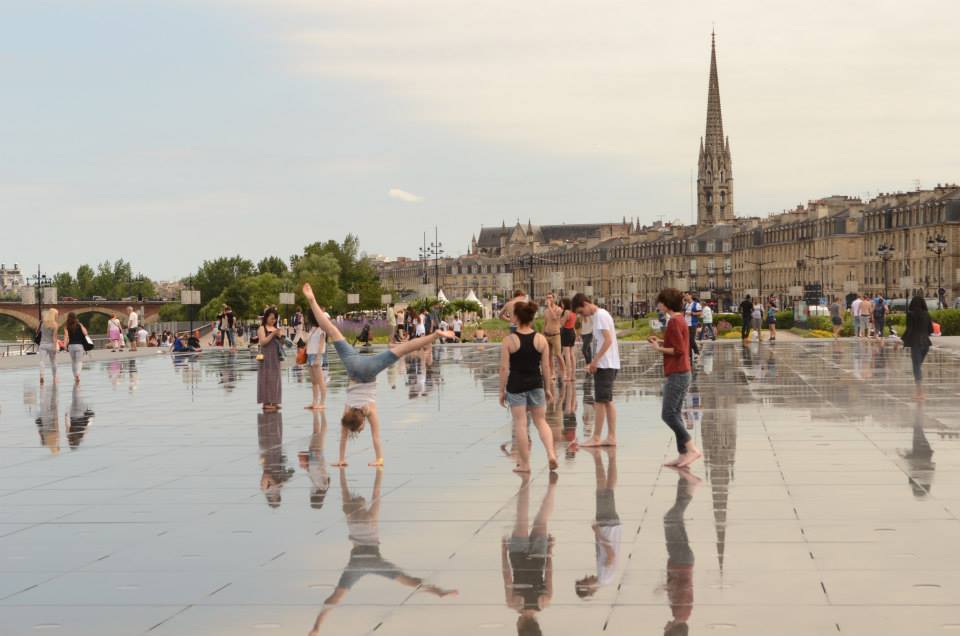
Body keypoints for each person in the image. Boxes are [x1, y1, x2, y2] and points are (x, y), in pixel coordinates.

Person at [301, 283, 455, 467]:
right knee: (333, 331)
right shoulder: (347, 411)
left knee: (403, 348)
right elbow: (343, 438)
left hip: (369, 369)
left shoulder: (369, 411)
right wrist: (340, 459)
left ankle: (434, 336)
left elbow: (376, 438)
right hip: (353, 365)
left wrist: (378, 459)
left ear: (360, 423)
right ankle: (312, 300)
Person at [310, 469, 457, 636]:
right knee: (408, 580)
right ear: (363, 504)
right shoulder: (372, 515)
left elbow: (345, 489)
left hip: (356, 562)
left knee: (336, 597)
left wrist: (342, 471)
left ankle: (317, 627)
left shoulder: (350, 515)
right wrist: (379, 469)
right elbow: (376, 490)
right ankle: (437, 591)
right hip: (373, 558)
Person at [498, 300, 558, 473]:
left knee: (521, 424)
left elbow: (504, 368)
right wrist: (547, 388)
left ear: (515, 317)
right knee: (541, 421)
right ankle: (551, 454)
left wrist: (501, 391)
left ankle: (525, 464)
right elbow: (546, 366)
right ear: (532, 318)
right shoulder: (541, 340)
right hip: (535, 384)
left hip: (516, 385)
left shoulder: (509, 340)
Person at [647, 288, 703, 468]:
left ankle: (692, 449)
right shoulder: (680, 320)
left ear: (666, 304)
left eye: (660, 302)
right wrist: (662, 342)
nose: (658, 305)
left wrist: (658, 349)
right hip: (683, 371)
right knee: (676, 413)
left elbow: (678, 350)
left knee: (668, 414)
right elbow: (680, 344)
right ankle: (682, 454)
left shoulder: (673, 322)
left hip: (678, 373)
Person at [502, 472, 557, 636]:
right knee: (522, 518)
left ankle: (552, 488)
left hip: (539, 558)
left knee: (542, 519)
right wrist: (503, 552)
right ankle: (525, 480)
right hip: (518, 557)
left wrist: (549, 551)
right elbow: (507, 576)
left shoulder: (545, 602)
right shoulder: (513, 604)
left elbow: (549, 575)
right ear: (520, 628)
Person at [572, 293, 620, 447]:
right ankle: (611, 436)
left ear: (586, 303)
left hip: (605, 365)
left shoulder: (600, 315)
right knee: (607, 401)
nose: (581, 315)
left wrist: (595, 361)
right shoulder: (602, 314)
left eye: (580, 311)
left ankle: (597, 437)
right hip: (609, 363)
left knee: (600, 402)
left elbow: (607, 340)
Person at [575, 448, 621, 599]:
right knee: (603, 488)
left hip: (610, 526)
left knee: (607, 490)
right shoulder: (603, 578)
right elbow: (610, 555)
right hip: (607, 526)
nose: (587, 577)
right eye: (584, 581)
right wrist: (597, 532)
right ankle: (601, 457)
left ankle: (608, 458)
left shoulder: (605, 580)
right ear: (588, 589)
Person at [902, 295, 934, 401]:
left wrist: (902, 340)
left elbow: (909, 329)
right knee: (918, 367)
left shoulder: (910, 314)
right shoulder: (927, 314)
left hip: (916, 344)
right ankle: (919, 391)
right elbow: (931, 330)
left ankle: (920, 393)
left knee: (916, 367)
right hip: (926, 344)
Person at [257, 307, 284, 412]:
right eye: (272, 318)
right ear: (266, 317)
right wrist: (273, 334)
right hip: (265, 357)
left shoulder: (276, 329)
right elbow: (263, 342)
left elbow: (281, 344)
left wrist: (281, 337)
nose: (273, 320)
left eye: (275, 319)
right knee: (265, 378)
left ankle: (274, 400)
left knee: (275, 378)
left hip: (275, 356)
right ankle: (266, 402)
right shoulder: (262, 328)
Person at [304, 310, 328, 411]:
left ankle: (322, 402)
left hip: (316, 355)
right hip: (309, 355)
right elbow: (307, 342)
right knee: (314, 382)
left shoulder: (322, 329)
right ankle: (314, 402)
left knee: (320, 381)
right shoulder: (312, 329)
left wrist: (318, 357)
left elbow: (321, 344)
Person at [542, 292, 567, 382]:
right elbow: (545, 323)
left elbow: (554, 318)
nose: (548, 299)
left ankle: (564, 372)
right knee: (548, 356)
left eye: (550, 297)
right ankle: (552, 373)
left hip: (555, 335)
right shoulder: (545, 311)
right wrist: (542, 334)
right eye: (547, 297)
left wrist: (549, 307)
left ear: (554, 299)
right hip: (547, 335)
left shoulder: (558, 309)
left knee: (558, 355)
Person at [61, 312, 89, 384]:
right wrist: (81, 325)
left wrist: (64, 345)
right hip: (79, 346)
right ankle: (77, 375)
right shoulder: (79, 325)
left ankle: (75, 376)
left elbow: (66, 336)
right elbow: (85, 333)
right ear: (75, 317)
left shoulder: (67, 326)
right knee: (79, 361)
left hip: (71, 346)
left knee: (73, 362)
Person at [37, 308, 59, 385]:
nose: (57, 316)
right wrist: (55, 347)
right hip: (51, 345)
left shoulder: (43, 323)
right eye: (57, 314)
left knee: (42, 361)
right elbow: (54, 337)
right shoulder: (55, 324)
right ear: (54, 315)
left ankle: (42, 375)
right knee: (53, 362)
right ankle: (54, 377)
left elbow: (37, 332)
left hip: (42, 344)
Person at [559, 298, 577, 381]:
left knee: (567, 354)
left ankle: (568, 376)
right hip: (572, 332)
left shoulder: (566, 312)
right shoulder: (574, 312)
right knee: (572, 354)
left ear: (565, 304)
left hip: (566, 332)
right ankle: (573, 375)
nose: (561, 305)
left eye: (562, 303)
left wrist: (560, 317)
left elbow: (562, 323)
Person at [683, 292, 701, 362]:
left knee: (691, 339)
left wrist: (692, 313)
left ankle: (697, 353)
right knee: (687, 341)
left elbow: (700, 313)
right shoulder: (685, 305)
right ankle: (689, 355)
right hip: (686, 324)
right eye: (685, 296)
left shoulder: (696, 304)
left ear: (690, 296)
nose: (685, 297)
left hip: (693, 324)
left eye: (687, 295)